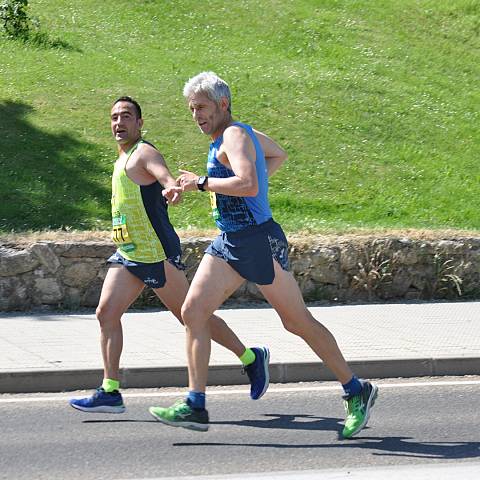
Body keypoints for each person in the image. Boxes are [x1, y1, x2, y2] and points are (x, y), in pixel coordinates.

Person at [149, 73, 378, 438]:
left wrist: (203, 184)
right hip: (230, 241)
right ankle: (195, 404)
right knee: (192, 311)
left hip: (257, 240)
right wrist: (216, 187)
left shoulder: (235, 135)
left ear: (223, 104)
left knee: (297, 322)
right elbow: (276, 155)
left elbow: (248, 183)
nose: (196, 115)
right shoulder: (237, 135)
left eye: (202, 107)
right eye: (192, 109)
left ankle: (356, 389)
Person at [69, 96, 270, 414]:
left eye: (126, 116)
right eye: (114, 117)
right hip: (129, 253)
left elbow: (164, 176)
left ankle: (250, 357)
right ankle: (110, 390)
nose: (118, 122)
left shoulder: (144, 153)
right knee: (106, 313)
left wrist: (171, 188)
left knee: (192, 317)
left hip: (156, 254)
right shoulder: (121, 158)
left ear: (139, 123)